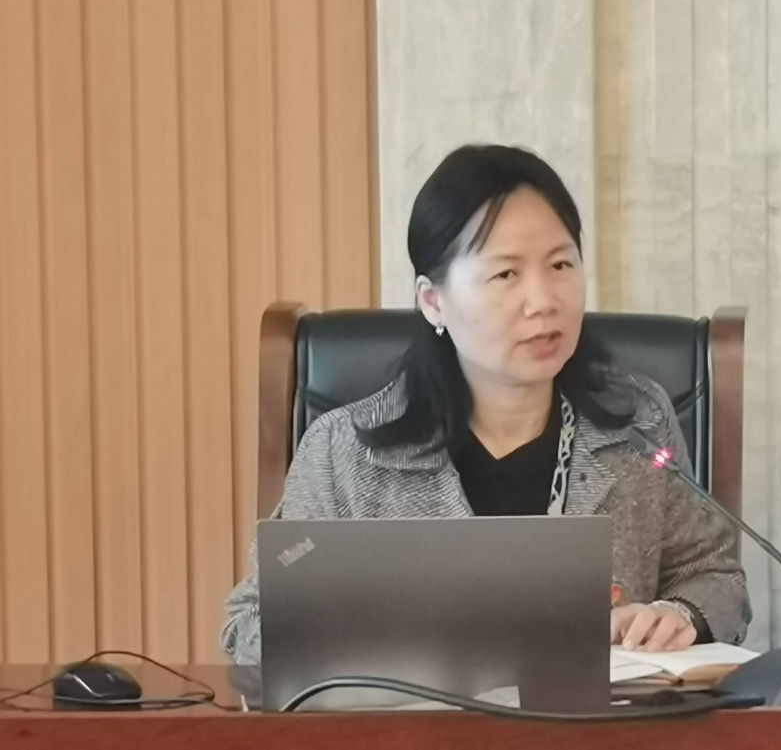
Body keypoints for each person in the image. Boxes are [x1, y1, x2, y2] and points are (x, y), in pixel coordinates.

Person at [221, 144, 751, 665]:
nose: (544, 301)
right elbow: (249, 627)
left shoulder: (638, 425)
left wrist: (677, 614)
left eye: (561, 264)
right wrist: (380, 635)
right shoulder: (344, 454)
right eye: (505, 274)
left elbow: (715, 577)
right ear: (433, 301)